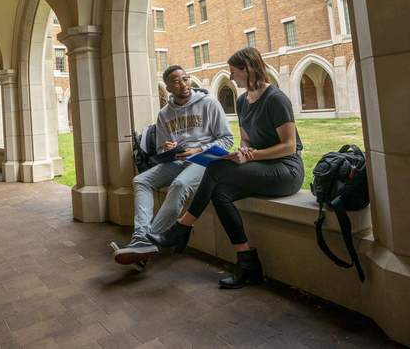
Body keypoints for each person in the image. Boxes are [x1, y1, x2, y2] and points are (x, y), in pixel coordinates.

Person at [146, 48, 303, 288]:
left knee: (217, 169)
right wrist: (242, 151)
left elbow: (289, 147)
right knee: (221, 194)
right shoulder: (242, 101)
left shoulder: (276, 98)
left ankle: (182, 227)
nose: (231, 77)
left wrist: (250, 157)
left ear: (248, 69)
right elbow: (247, 140)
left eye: (233, 71)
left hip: (286, 171)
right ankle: (246, 260)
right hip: (261, 168)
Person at [112, 65, 234, 271]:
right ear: (168, 88)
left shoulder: (210, 104)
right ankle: (141, 238)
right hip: (177, 160)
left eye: (185, 79)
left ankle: (145, 244)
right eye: (176, 82)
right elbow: (161, 148)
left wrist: (197, 149)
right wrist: (167, 148)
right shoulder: (164, 114)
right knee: (140, 180)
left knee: (179, 184)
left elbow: (227, 140)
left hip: (206, 159)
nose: (183, 84)